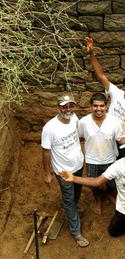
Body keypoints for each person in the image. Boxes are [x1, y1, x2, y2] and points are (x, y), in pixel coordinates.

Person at [41, 94, 89, 247]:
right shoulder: (49, 128)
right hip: (63, 171)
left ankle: (72, 210)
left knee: (76, 193)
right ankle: (76, 232)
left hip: (78, 165)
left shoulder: (74, 118)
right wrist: (47, 174)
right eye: (64, 106)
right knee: (68, 199)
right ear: (58, 108)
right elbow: (46, 152)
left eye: (70, 106)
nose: (68, 109)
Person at [78, 93, 125, 214]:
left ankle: (110, 195)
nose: (98, 109)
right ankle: (97, 200)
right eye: (95, 106)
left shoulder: (115, 122)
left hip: (110, 159)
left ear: (106, 106)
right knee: (93, 184)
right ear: (90, 106)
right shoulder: (83, 122)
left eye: (101, 106)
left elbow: (121, 140)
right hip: (91, 159)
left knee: (111, 182)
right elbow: (80, 138)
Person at [86, 37, 125, 127]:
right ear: (123, 86)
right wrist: (91, 54)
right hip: (107, 130)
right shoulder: (116, 93)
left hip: (123, 138)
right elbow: (101, 76)